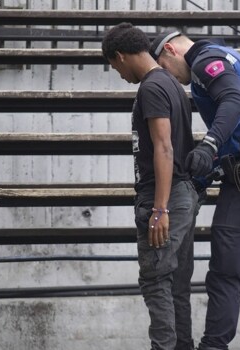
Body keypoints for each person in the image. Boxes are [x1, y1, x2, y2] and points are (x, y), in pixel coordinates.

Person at [150, 30, 240, 350]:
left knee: (225, 272)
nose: (170, 78)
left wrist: (209, 145)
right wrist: (213, 165)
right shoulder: (232, 55)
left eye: (163, 66)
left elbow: (234, 101)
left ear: (171, 50)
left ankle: (213, 346)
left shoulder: (204, 61)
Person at [102, 23, 198, 350]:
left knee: (156, 282)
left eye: (114, 66)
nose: (117, 73)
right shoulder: (172, 84)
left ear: (120, 56)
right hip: (183, 193)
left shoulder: (152, 87)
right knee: (176, 286)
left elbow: (164, 147)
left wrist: (160, 208)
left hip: (165, 197)